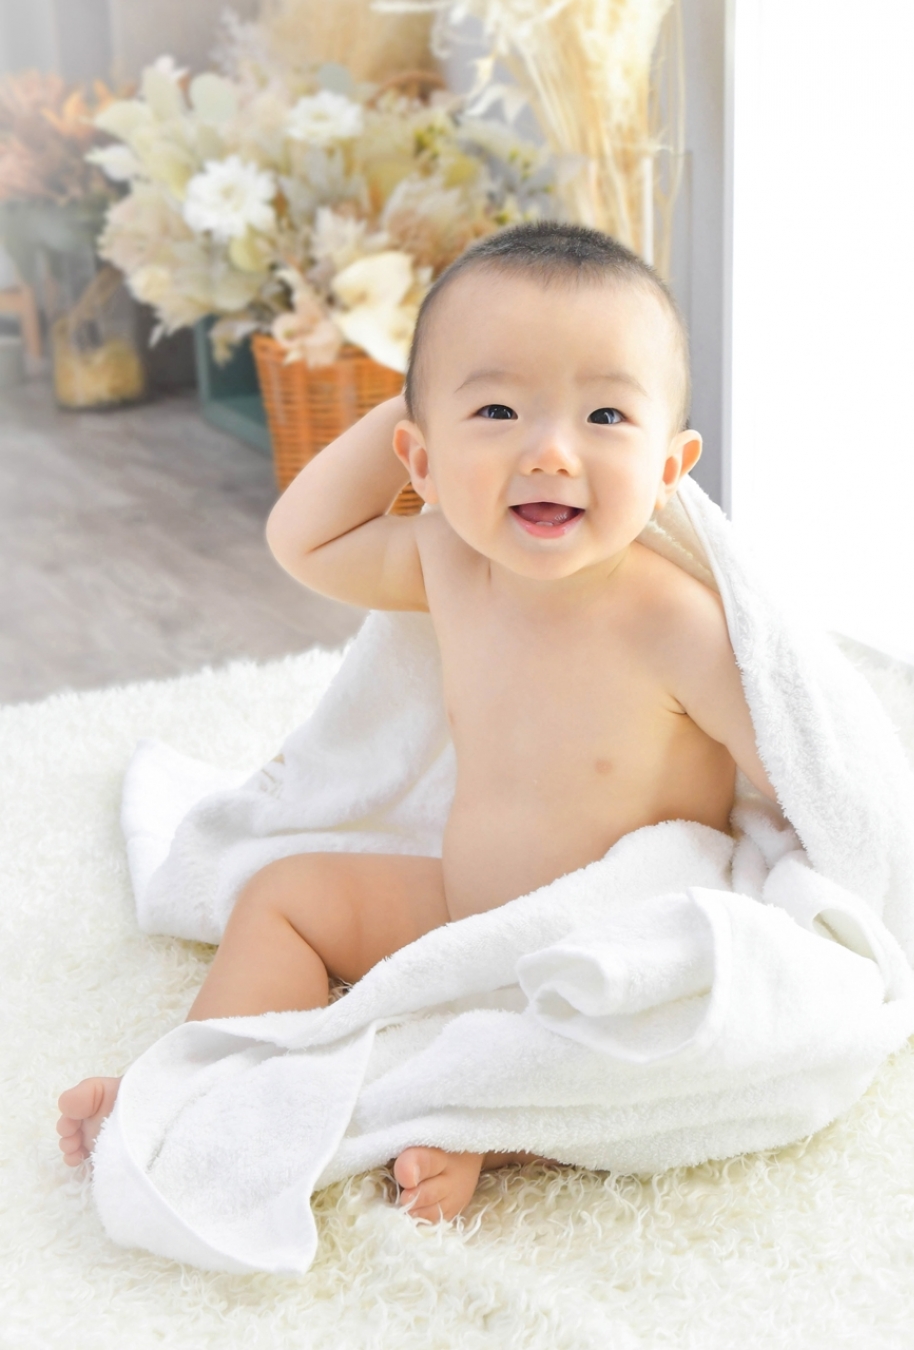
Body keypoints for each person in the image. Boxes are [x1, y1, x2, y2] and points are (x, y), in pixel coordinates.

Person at [57, 222, 776, 1222]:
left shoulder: (678, 621)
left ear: (669, 467)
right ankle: (194, 1083)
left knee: (650, 1038)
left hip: (603, 954)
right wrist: (423, 402)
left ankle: (492, 1132)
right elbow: (305, 539)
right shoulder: (448, 559)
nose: (550, 451)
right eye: (499, 408)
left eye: (606, 413)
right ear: (421, 461)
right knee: (284, 895)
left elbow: (794, 774)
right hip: (460, 910)